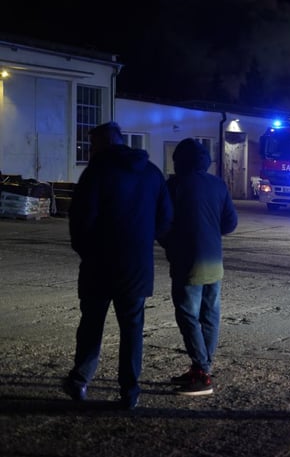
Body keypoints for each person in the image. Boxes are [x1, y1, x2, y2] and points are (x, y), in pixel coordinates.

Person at [63, 121, 173, 410]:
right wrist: (143, 241)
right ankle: (130, 390)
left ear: (104, 144)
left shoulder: (96, 173)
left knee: (91, 323)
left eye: (92, 145)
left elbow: (80, 219)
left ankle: (80, 379)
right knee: (132, 328)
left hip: (98, 264)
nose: (90, 151)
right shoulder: (151, 173)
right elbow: (165, 218)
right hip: (136, 266)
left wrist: (86, 251)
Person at [162, 138, 238, 396]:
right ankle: (201, 368)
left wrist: (170, 244)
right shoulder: (217, 184)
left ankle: (202, 372)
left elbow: (162, 222)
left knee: (187, 315)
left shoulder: (174, 185)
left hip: (187, 261)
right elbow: (230, 223)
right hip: (214, 261)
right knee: (209, 314)